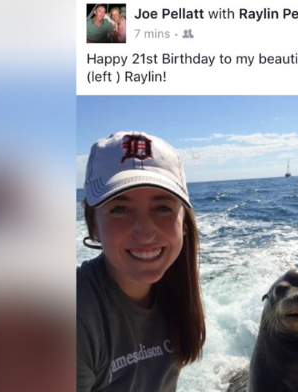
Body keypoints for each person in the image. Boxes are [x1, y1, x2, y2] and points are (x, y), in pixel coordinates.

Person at [77, 132, 206, 392]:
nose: (145, 233)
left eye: (162, 208)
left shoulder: (176, 290)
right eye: (120, 209)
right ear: (94, 226)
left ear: (183, 223)